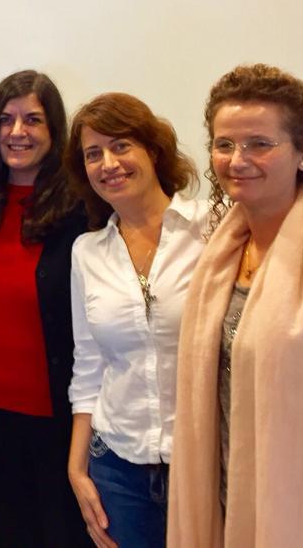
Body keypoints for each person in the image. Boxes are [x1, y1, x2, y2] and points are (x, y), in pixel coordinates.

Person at [168, 64, 303, 547]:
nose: (237, 160)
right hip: (231, 513)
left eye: (259, 144)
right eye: (225, 144)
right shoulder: (220, 256)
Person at [64, 93, 208, 548]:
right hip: (116, 465)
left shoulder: (213, 228)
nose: (108, 163)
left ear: (154, 150)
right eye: (93, 154)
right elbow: (89, 365)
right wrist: (77, 467)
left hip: (202, 462)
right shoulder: (87, 251)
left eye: (121, 145)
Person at [0, 70, 91, 547]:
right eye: (6, 119)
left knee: (64, 533)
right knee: (10, 534)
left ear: (54, 130)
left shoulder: (83, 211)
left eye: (33, 120)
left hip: (59, 413)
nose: (17, 132)